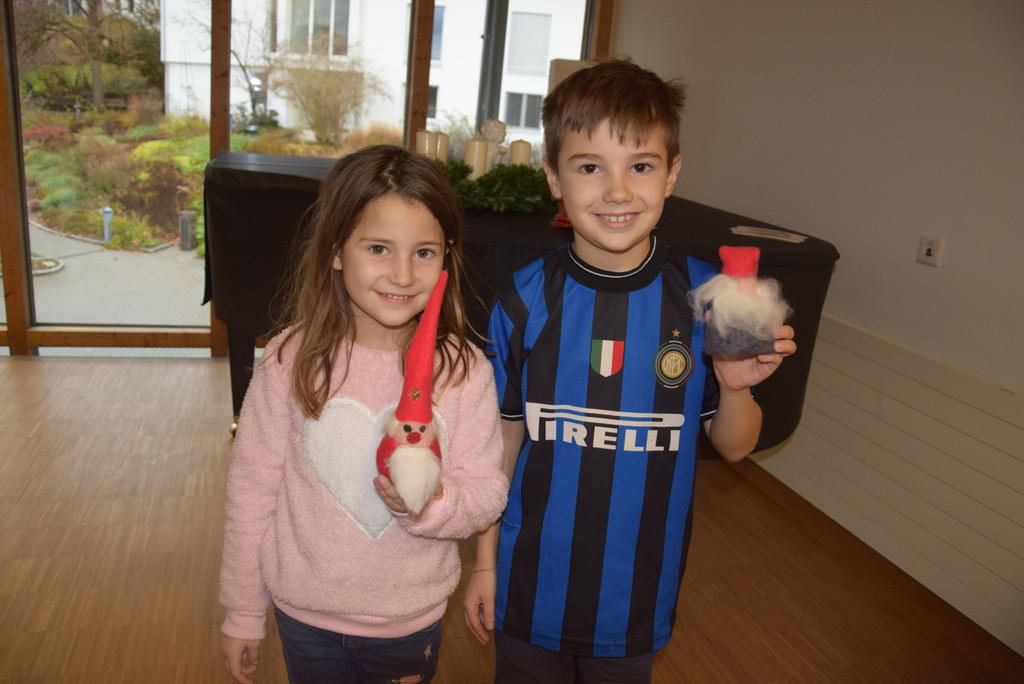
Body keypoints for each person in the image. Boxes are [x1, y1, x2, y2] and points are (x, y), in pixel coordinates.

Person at [462, 59, 796, 683]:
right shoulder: (522, 300)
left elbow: (735, 447)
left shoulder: (708, 298)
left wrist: (734, 388)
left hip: (636, 597)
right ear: (553, 178)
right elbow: (499, 444)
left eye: (640, 166)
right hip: (528, 586)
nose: (617, 191)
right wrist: (484, 564)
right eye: (590, 167)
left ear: (672, 173)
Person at [219, 145, 508, 684]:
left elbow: (488, 493)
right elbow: (251, 493)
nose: (403, 274)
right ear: (335, 250)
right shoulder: (289, 360)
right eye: (378, 248)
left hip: (409, 623)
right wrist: (243, 610)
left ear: (447, 257)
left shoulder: (464, 371)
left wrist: (430, 503)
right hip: (303, 619)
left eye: (424, 252)